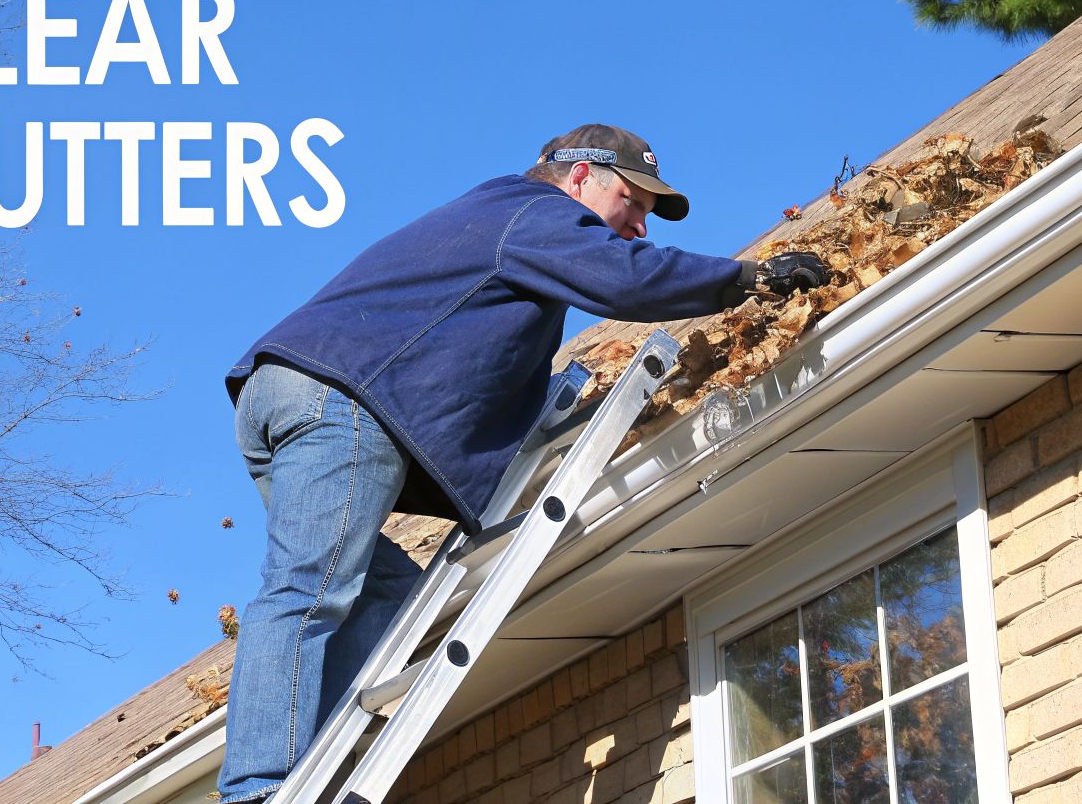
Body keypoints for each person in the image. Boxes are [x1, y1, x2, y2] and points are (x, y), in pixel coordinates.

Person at [216, 124, 828, 803]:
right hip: (342, 399)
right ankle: (260, 790)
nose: (637, 227)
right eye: (631, 202)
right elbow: (624, 283)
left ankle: (307, 778)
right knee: (309, 592)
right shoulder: (533, 213)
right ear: (579, 177)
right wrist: (746, 278)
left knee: (385, 599)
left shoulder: (495, 225)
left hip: (296, 396)